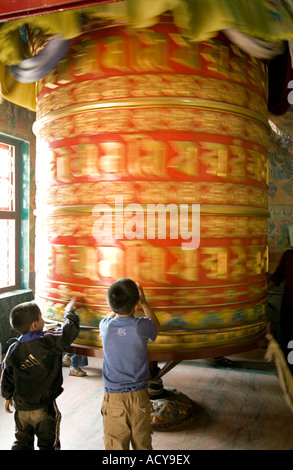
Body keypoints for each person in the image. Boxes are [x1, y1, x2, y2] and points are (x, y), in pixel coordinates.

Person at [0, 297, 79, 450]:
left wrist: (7, 396)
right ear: (34, 325)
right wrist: (70, 313)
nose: (43, 320)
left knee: (21, 442)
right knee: (48, 444)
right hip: (44, 406)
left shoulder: (13, 349)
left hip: (21, 408)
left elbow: (7, 376)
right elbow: (69, 332)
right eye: (41, 317)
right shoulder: (48, 341)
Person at [99, 278, 160, 450]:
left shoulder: (105, 327)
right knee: (143, 444)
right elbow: (156, 326)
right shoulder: (142, 326)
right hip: (139, 395)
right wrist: (144, 303)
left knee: (115, 446)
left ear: (111, 306)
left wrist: (114, 309)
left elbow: (108, 317)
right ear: (135, 307)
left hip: (113, 397)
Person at [268, 249, 293, 374]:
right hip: (289, 307)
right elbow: (276, 278)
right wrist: (257, 290)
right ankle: (290, 374)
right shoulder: (288, 255)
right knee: (289, 342)